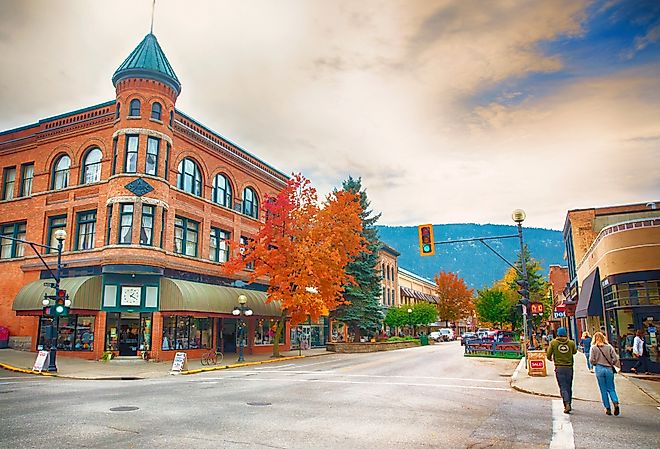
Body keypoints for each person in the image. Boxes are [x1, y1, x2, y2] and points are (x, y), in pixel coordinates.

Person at [546, 326, 577, 414]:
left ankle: (566, 403)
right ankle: (569, 402)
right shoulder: (571, 343)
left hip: (559, 367)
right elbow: (574, 352)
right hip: (569, 367)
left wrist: (551, 359)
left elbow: (548, 354)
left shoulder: (553, 343)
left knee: (563, 386)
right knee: (569, 385)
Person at [589, 331, 620, 416]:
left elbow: (591, 360)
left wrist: (595, 363)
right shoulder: (609, 347)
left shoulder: (593, 348)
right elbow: (615, 358)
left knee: (603, 389)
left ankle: (607, 408)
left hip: (599, 368)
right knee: (611, 388)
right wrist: (611, 363)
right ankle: (615, 401)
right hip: (609, 369)